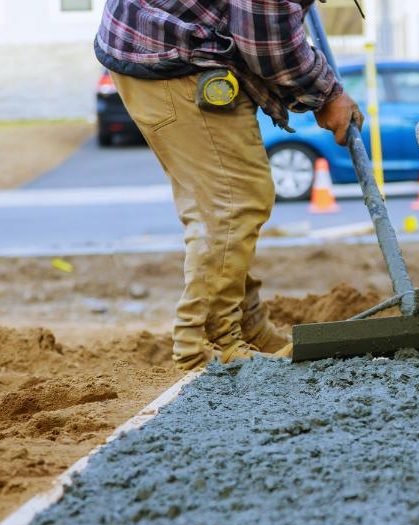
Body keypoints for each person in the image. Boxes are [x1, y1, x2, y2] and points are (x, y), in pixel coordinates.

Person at [94, 0, 364, 370]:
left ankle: (245, 326)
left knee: (224, 202)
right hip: (173, 54)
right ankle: (209, 345)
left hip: (162, 42)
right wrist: (327, 93)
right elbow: (266, 42)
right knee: (233, 203)